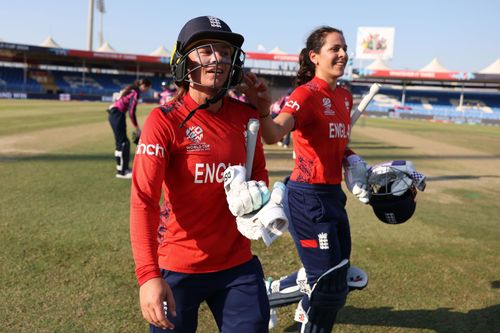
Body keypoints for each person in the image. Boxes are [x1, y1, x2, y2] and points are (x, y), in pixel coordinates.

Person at [130, 16, 272, 332]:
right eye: (205, 51)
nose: (218, 59)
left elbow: (259, 174)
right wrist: (148, 275)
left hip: (237, 266)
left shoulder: (247, 117)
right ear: (182, 60)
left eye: (224, 51)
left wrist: (257, 198)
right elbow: (143, 201)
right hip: (178, 266)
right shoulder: (163, 120)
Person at [242, 26, 369, 332]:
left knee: (338, 275)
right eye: (334, 49)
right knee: (327, 288)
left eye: (344, 48)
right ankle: (289, 301)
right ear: (315, 57)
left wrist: (351, 159)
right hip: (307, 197)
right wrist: (261, 110)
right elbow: (273, 135)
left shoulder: (345, 97)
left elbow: (335, 142)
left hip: (333, 197)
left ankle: (270, 293)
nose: (342, 54)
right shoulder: (306, 95)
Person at [107, 78, 151, 179]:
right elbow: (131, 111)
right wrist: (137, 128)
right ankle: (122, 172)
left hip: (115, 113)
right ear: (143, 85)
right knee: (123, 143)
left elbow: (117, 98)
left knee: (122, 142)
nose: (147, 90)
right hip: (117, 114)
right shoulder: (135, 92)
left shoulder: (131, 89)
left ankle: (122, 169)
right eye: (147, 88)